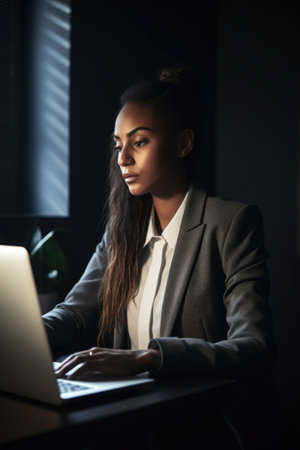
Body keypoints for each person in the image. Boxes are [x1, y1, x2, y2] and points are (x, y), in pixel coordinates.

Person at [43, 65, 275, 383]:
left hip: (199, 416)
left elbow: (255, 346)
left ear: (183, 144)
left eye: (138, 142)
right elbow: (73, 313)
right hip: (130, 413)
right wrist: (21, 336)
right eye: (117, 145)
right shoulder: (122, 234)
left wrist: (148, 357)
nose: (123, 158)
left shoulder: (231, 224)